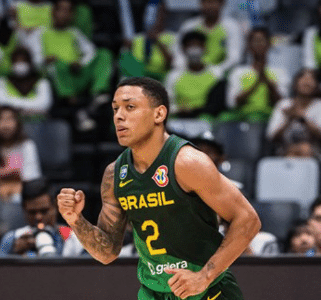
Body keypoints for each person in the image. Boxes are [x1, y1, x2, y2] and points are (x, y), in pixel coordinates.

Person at [57, 77, 261, 300]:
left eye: (130, 107)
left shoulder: (187, 162)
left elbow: (248, 219)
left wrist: (204, 276)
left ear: (159, 114)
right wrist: (76, 220)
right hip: (153, 291)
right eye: (115, 108)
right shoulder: (115, 173)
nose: (119, 116)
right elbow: (107, 253)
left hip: (205, 290)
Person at [25, 0, 113, 131]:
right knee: (57, 65)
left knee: (104, 54)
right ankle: (76, 108)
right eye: (62, 10)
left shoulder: (74, 32)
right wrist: (45, 60)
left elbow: (90, 51)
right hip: (57, 77)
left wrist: (80, 62)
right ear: (54, 12)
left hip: (77, 72)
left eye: (68, 11)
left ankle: (98, 92)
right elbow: (35, 61)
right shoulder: (41, 33)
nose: (65, 14)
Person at [221, 27, 290, 123]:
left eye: (262, 40)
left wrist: (267, 81)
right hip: (243, 119)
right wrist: (256, 82)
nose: (259, 45)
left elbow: (283, 103)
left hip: (270, 119)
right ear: (248, 46)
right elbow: (232, 103)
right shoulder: (238, 72)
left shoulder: (280, 72)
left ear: (269, 44)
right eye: (255, 41)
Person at [0, 178, 83, 257]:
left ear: (56, 207)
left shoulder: (74, 239)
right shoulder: (12, 239)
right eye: (32, 212)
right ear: (24, 210)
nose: (38, 217)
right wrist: (13, 255)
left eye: (44, 211)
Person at [266, 69, 321, 156]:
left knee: (305, 148)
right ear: (295, 84)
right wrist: (288, 120)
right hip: (285, 150)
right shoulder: (283, 104)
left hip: (314, 152)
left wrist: (302, 118)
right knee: (291, 153)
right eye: (303, 78)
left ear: (316, 86)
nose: (307, 82)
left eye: (311, 79)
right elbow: (271, 136)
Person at [174, 0, 244, 77]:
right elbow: (178, 52)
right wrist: (183, 68)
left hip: (220, 74)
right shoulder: (189, 26)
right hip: (191, 71)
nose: (209, 6)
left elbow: (234, 57)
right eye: (206, 2)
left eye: (213, 2)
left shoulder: (231, 26)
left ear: (222, 3)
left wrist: (217, 70)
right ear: (200, 3)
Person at [165, 31, 222, 120]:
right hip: (181, 120)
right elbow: (167, 104)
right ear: (183, 49)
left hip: (209, 120)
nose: (194, 50)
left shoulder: (217, 73)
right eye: (191, 46)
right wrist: (178, 109)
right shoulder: (173, 76)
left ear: (204, 48)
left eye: (198, 46)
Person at [0, 47, 52, 119]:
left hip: (38, 123)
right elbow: (2, 102)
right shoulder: (3, 82)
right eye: (16, 61)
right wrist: (32, 108)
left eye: (23, 61)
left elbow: (45, 104)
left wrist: (14, 107)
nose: (20, 64)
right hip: (10, 125)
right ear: (11, 63)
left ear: (30, 62)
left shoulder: (42, 82)